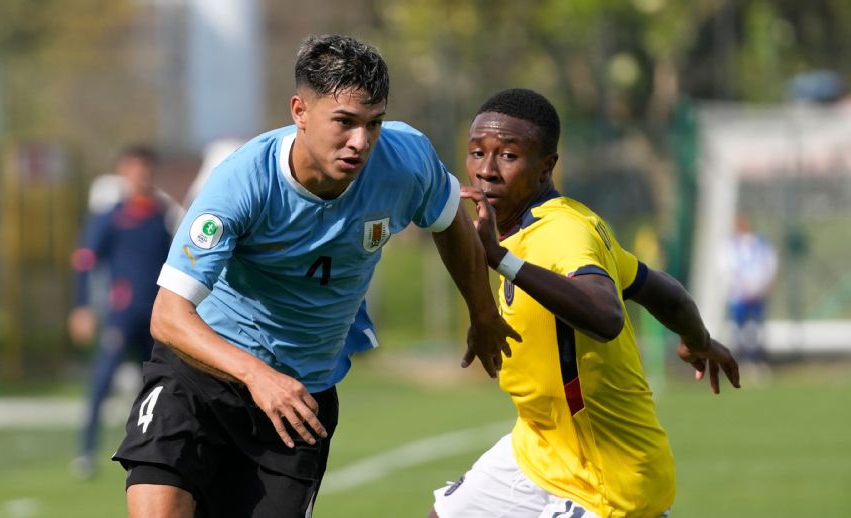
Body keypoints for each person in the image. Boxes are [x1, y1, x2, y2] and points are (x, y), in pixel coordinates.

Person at [111, 35, 516, 517]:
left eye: (374, 123)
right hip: (201, 375)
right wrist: (255, 374)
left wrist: (483, 311)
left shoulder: (406, 160)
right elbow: (168, 317)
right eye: (344, 122)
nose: (361, 142)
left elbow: (450, 222)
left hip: (301, 396)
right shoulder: (241, 184)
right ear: (300, 111)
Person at [430, 88, 740, 518]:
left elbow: (607, 315)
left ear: (546, 167)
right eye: (477, 153)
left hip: (607, 481)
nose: (486, 171)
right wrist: (697, 338)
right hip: (538, 453)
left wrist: (501, 260)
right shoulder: (532, 226)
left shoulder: (563, 232)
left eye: (507, 156)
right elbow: (655, 287)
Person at [67, 145, 181, 479]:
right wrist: (82, 306)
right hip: (121, 316)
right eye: (133, 169)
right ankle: (86, 451)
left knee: (162, 384)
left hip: (156, 317)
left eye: (146, 169)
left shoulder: (162, 217)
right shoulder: (110, 217)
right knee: (102, 381)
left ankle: (153, 449)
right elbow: (85, 261)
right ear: (122, 173)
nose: (140, 176)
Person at [723, 214, 778, 366]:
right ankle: (739, 361)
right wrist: (739, 287)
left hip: (757, 295)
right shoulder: (730, 245)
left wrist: (764, 285)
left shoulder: (761, 243)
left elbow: (770, 265)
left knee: (756, 330)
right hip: (738, 297)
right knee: (737, 330)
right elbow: (726, 270)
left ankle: (756, 361)